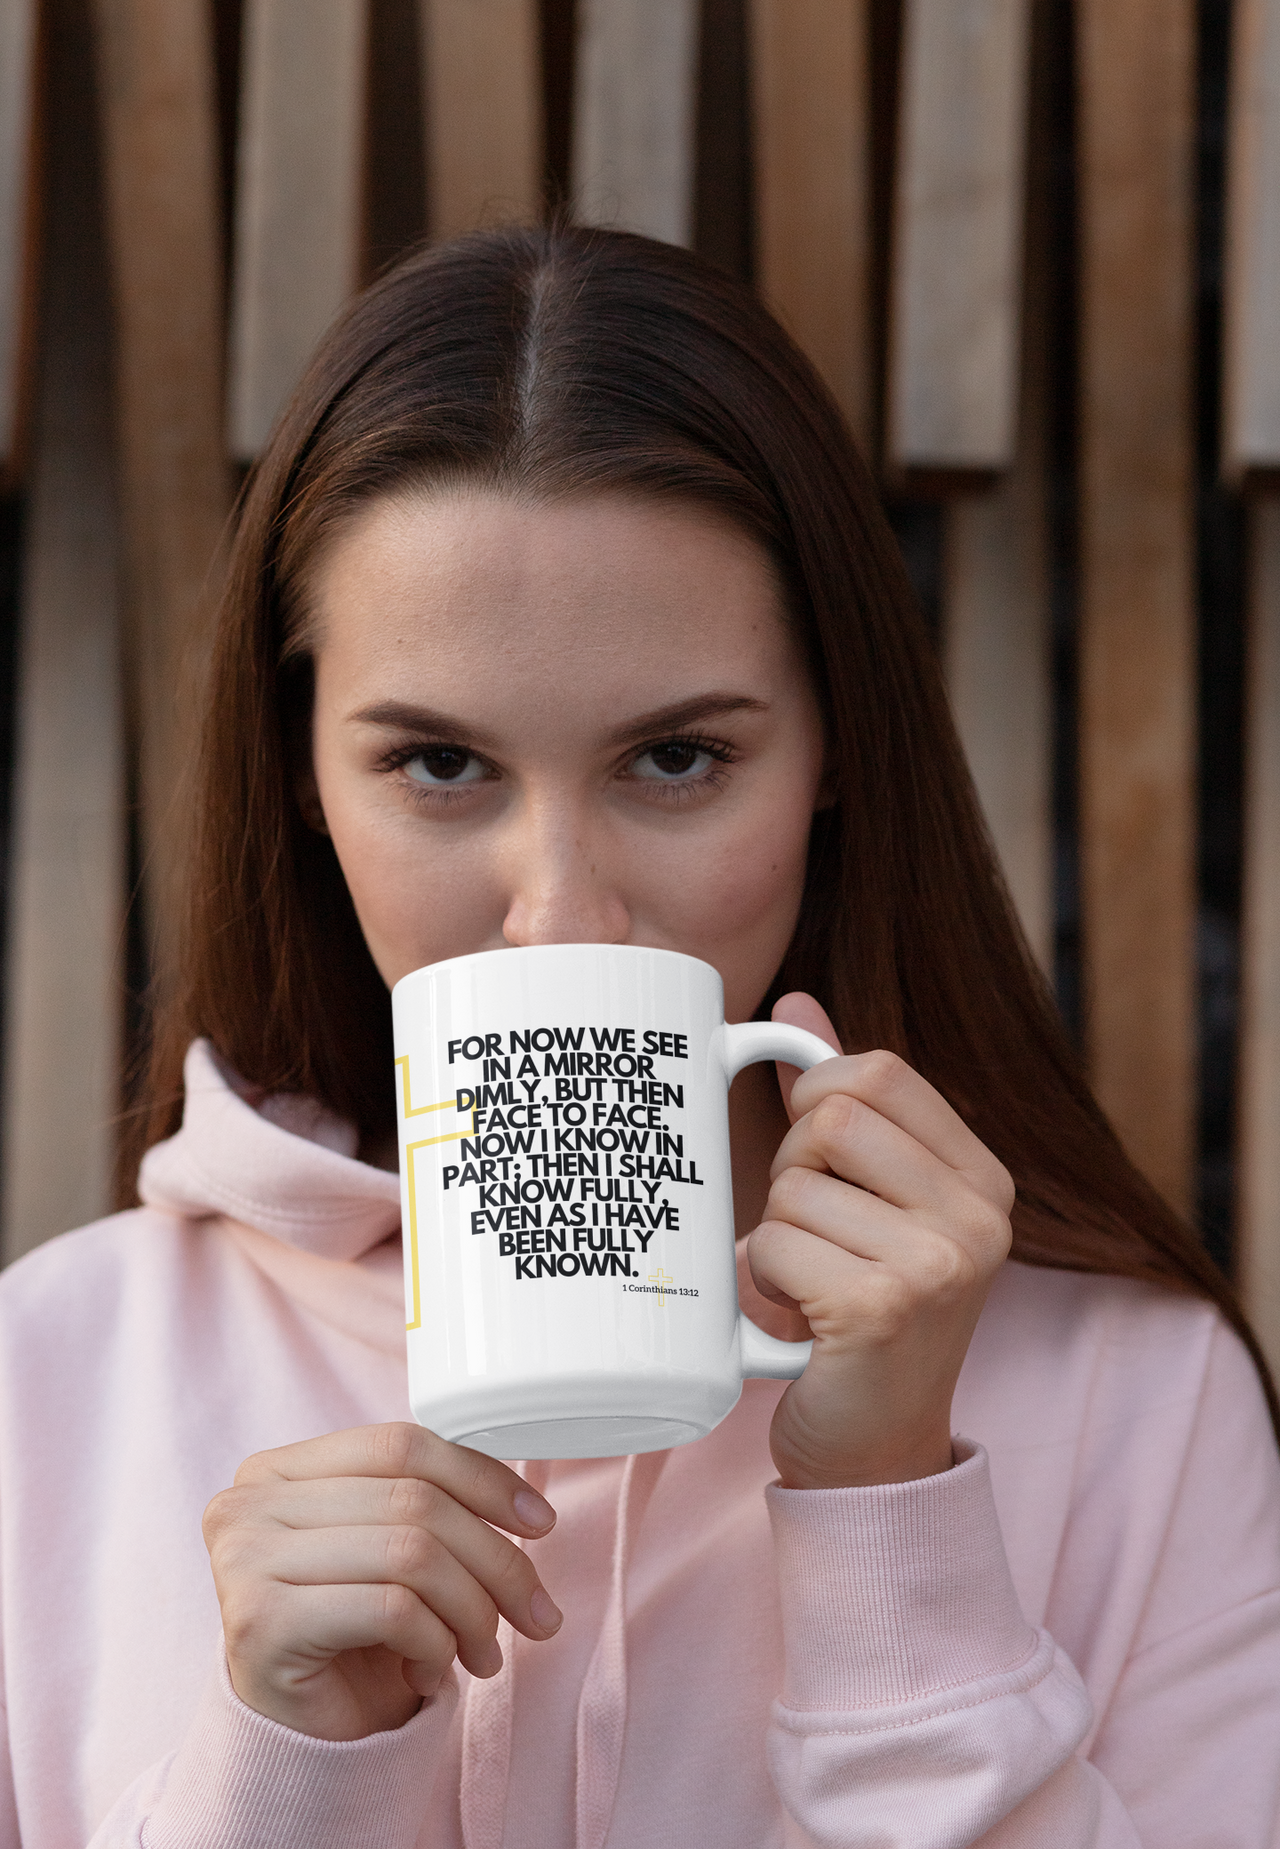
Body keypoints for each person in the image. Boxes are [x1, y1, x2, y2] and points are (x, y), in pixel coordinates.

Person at [1, 225, 1277, 1849]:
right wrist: (279, 1775)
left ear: (831, 754)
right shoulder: (49, 1381)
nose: (560, 915)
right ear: (303, 780)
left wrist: (893, 1513)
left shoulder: (1140, 1399)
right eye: (439, 767)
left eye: (675, 759)